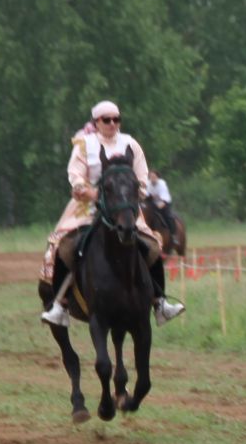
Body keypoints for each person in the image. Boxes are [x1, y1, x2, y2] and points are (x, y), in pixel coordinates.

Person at [39, 100, 186, 327]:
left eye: (116, 119)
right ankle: (60, 305)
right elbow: (75, 174)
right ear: (96, 122)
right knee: (63, 247)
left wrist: (134, 196)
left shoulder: (131, 144)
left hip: (124, 207)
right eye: (106, 120)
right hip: (87, 206)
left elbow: (142, 176)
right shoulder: (84, 145)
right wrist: (90, 192)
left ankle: (160, 302)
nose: (112, 124)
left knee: (152, 245)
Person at [146, 169, 179, 241]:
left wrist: (157, 206)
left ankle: (174, 235)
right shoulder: (148, 184)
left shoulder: (162, 184)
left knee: (168, 216)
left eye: (154, 177)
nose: (152, 179)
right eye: (150, 177)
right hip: (153, 203)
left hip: (164, 203)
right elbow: (146, 196)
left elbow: (164, 199)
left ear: (158, 177)